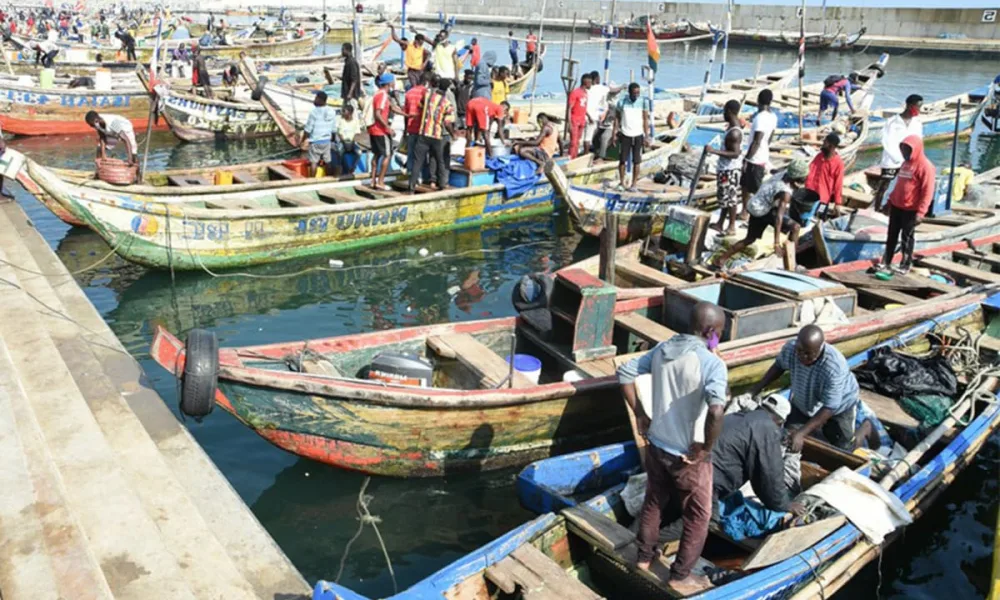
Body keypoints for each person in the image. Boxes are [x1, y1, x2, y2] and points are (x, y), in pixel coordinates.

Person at [617, 301, 727, 596]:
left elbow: (625, 373)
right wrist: (705, 448)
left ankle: (644, 557)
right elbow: (716, 411)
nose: (720, 337)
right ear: (710, 331)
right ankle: (679, 576)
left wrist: (640, 412)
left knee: (654, 501)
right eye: (719, 333)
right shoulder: (712, 364)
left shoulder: (664, 349)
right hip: (687, 455)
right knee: (698, 515)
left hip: (657, 445)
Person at [749, 325, 861, 452]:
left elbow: (830, 407)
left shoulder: (834, 367)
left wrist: (801, 433)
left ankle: (865, 430)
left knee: (842, 448)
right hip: (804, 401)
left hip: (839, 406)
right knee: (787, 439)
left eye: (808, 354)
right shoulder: (791, 349)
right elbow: (779, 366)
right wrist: (756, 389)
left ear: (819, 349)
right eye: (800, 351)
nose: (802, 356)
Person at [712, 396, 805, 516]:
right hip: (708, 483)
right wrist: (784, 504)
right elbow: (770, 475)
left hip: (693, 472)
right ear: (781, 422)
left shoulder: (737, 417)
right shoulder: (767, 430)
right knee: (701, 524)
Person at [713, 158, 810, 268]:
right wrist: (776, 243)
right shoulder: (785, 193)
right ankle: (792, 260)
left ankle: (721, 259)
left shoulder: (784, 173)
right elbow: (779, 217)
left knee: (749, 239)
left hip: (756, 204)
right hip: (761, 211)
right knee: (795, 227)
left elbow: (775, 173)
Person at [875, 134, 935, 275]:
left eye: (907, 149)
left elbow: (928, 191)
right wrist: (889, 202)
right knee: (891, 236)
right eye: (903, 149)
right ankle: (886, 262)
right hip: (897, 206)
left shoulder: (925, 166)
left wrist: (921, 212)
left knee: (906, 238)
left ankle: (905, 265)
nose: (905, 152)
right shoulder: (905, 164)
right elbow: (898, 186)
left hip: (911, 208)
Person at [874, 94, 923, 212]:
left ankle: (893, 209)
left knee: (903, 187)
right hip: (892, 160)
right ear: (910, 106)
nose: (919, 110)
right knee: (884, 186)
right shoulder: (892, 122)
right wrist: (898, 158)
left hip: (908, 161)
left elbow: (918, 141)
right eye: (918, 107)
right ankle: (877, 208)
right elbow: (887, 141)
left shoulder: (917, 123)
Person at [409, 79, 456, 191]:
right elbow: (447, 123)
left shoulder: (428, 97)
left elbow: (420, 106)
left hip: (423, 134)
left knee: (417, 162)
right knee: (440, 160)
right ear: (447, 89)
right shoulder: (447, 104)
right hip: (436, 136)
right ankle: (442, 185)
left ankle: (411, 187)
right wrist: (453, 134)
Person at [705, 99, 744, 235]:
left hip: (730, 170)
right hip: (725, 169)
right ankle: (720, 223)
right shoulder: (732, 128)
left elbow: (735, 153)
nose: (723, 114)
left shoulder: (734, 133)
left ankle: (731, 226)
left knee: (731, 199)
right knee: (724, 198)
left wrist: (714, 151)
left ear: (729, 112)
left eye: (724, 111)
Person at [740, 89, 778, 220]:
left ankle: (752, 214)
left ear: (758, 101)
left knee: (751, 188)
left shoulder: (760, 118)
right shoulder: (773, 116)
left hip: (755, 159)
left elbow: (757, 141)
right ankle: (745, 212)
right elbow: (770, 138)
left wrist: (746, 159)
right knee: (745, 186)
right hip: (762, 155)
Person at [611, 82, 650, 191]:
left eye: (638, 93)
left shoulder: (643, 102)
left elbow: (645, 119)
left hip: (638, 135)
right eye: (634, 93)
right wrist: (614, 133)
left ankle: (634, 184)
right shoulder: (622, 102)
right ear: (629, 92)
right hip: (625, 134)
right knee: (622, 160)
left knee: (636, 161)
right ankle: (622, 183)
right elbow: (617, 119)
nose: (636, 95)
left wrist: (647, 136)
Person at [368, 73, 403, 191]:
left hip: (374, 129)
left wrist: (405, 114)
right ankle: (380, 181)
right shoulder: (382, 95)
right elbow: (377, 113)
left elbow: (392, 107)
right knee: (388, 154)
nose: (394, 84)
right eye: (393, 82)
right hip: (380, 131)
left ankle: (373, 181)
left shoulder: (379, 94)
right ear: (389, 83)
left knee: (376, 154)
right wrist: (388, 127)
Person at [806, 133, 845, 219]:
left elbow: (838, 184)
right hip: (809, 195)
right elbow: (809, 170)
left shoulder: (838, 163)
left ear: (831, 146)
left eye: (825, 143)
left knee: (818, 218)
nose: (822, 144)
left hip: (822, 200)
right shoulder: (819, 156)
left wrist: (837, 203)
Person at [583, 71, 621, 155]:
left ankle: (600, 155)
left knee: (602, 137)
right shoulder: (601, 95)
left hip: (608, 126)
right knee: (592, 137)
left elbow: (615, 120)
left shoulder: (614, 105)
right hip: (598, 123)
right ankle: (594, 152)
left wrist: (615, 132)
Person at [403, 71, 433, 171]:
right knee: (422, 155)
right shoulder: (427, 93)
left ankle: (410, 175)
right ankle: (422, 177)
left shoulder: (409, 92)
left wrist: (405, 129)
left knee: (411, 153)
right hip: (423, 128)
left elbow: (405, 114)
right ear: (427, 82)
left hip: (411, 127)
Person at [303, 91, 337, 177]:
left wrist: (303, 140)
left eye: (316, 98)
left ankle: (312, 181)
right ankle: (329, 179)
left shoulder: (314, 112)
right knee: (328, 161)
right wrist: (332, 139)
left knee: (313, 162)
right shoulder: (331, 111)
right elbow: (333, 128)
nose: (314, 100)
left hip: (315, 141)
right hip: (326, 141)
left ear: (321, 100)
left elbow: (308, 129)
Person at [390, 24, 428, 89]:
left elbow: (429, 54)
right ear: (416, 41)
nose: (421, 45)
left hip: (420, 71)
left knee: (421, 87)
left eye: (422, 43)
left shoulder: (422, 48)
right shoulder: (409, 45)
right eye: (420, 43)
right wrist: (392, 28)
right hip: (411, 71)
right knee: (414, 87)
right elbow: (396, 39)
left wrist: (424, 63)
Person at [332, 103, 362, 176]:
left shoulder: (355, 121)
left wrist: (352, 142)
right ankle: (340, 168)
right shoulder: (341, 121)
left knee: (359, 152)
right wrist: (344, 141)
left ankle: (353, 168)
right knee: (339, 151)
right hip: (343, 142)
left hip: (352, 142)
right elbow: (340, 133)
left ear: (350, 113)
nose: (343, 113)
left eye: (344, 111)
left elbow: (357, 133)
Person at [567, 73, 591, 159]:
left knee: (577, 141)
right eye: (590, 83)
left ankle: (575, 156)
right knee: (573, 141)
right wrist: (569, 123)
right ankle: (571, 157)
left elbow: (583, 107)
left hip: (582, 120)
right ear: (586, 82)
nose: (591, 85)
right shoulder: (575, 93)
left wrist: (589, 116)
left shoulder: (585, 93)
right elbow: (569, 108)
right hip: (574, 120)